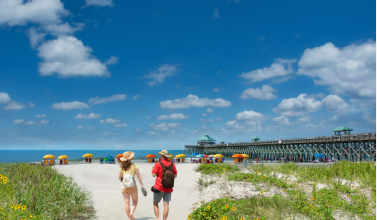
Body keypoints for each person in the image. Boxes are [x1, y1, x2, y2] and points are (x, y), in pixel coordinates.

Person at [118, 151, 145, 220]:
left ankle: (129, 218)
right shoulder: (134, 165)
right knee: (135, 202)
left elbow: (119, 177)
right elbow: (138, 176)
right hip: (133, 186)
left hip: (124, 187)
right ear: (130, 158)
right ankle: (131, 212)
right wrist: (142, 185)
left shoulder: (121, 167)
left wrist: (123, 176)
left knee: (126, 203)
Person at [152, 150, 177, 220]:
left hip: (159, 187)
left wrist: (152, 170)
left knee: (155, 203)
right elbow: (175, 175)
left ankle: (157, 218)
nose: (159, 156)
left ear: (162, 156)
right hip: (169, 187)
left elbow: (154, 174)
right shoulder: (172, 164)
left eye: (160, 155)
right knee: (166, 204)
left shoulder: (158, 163)